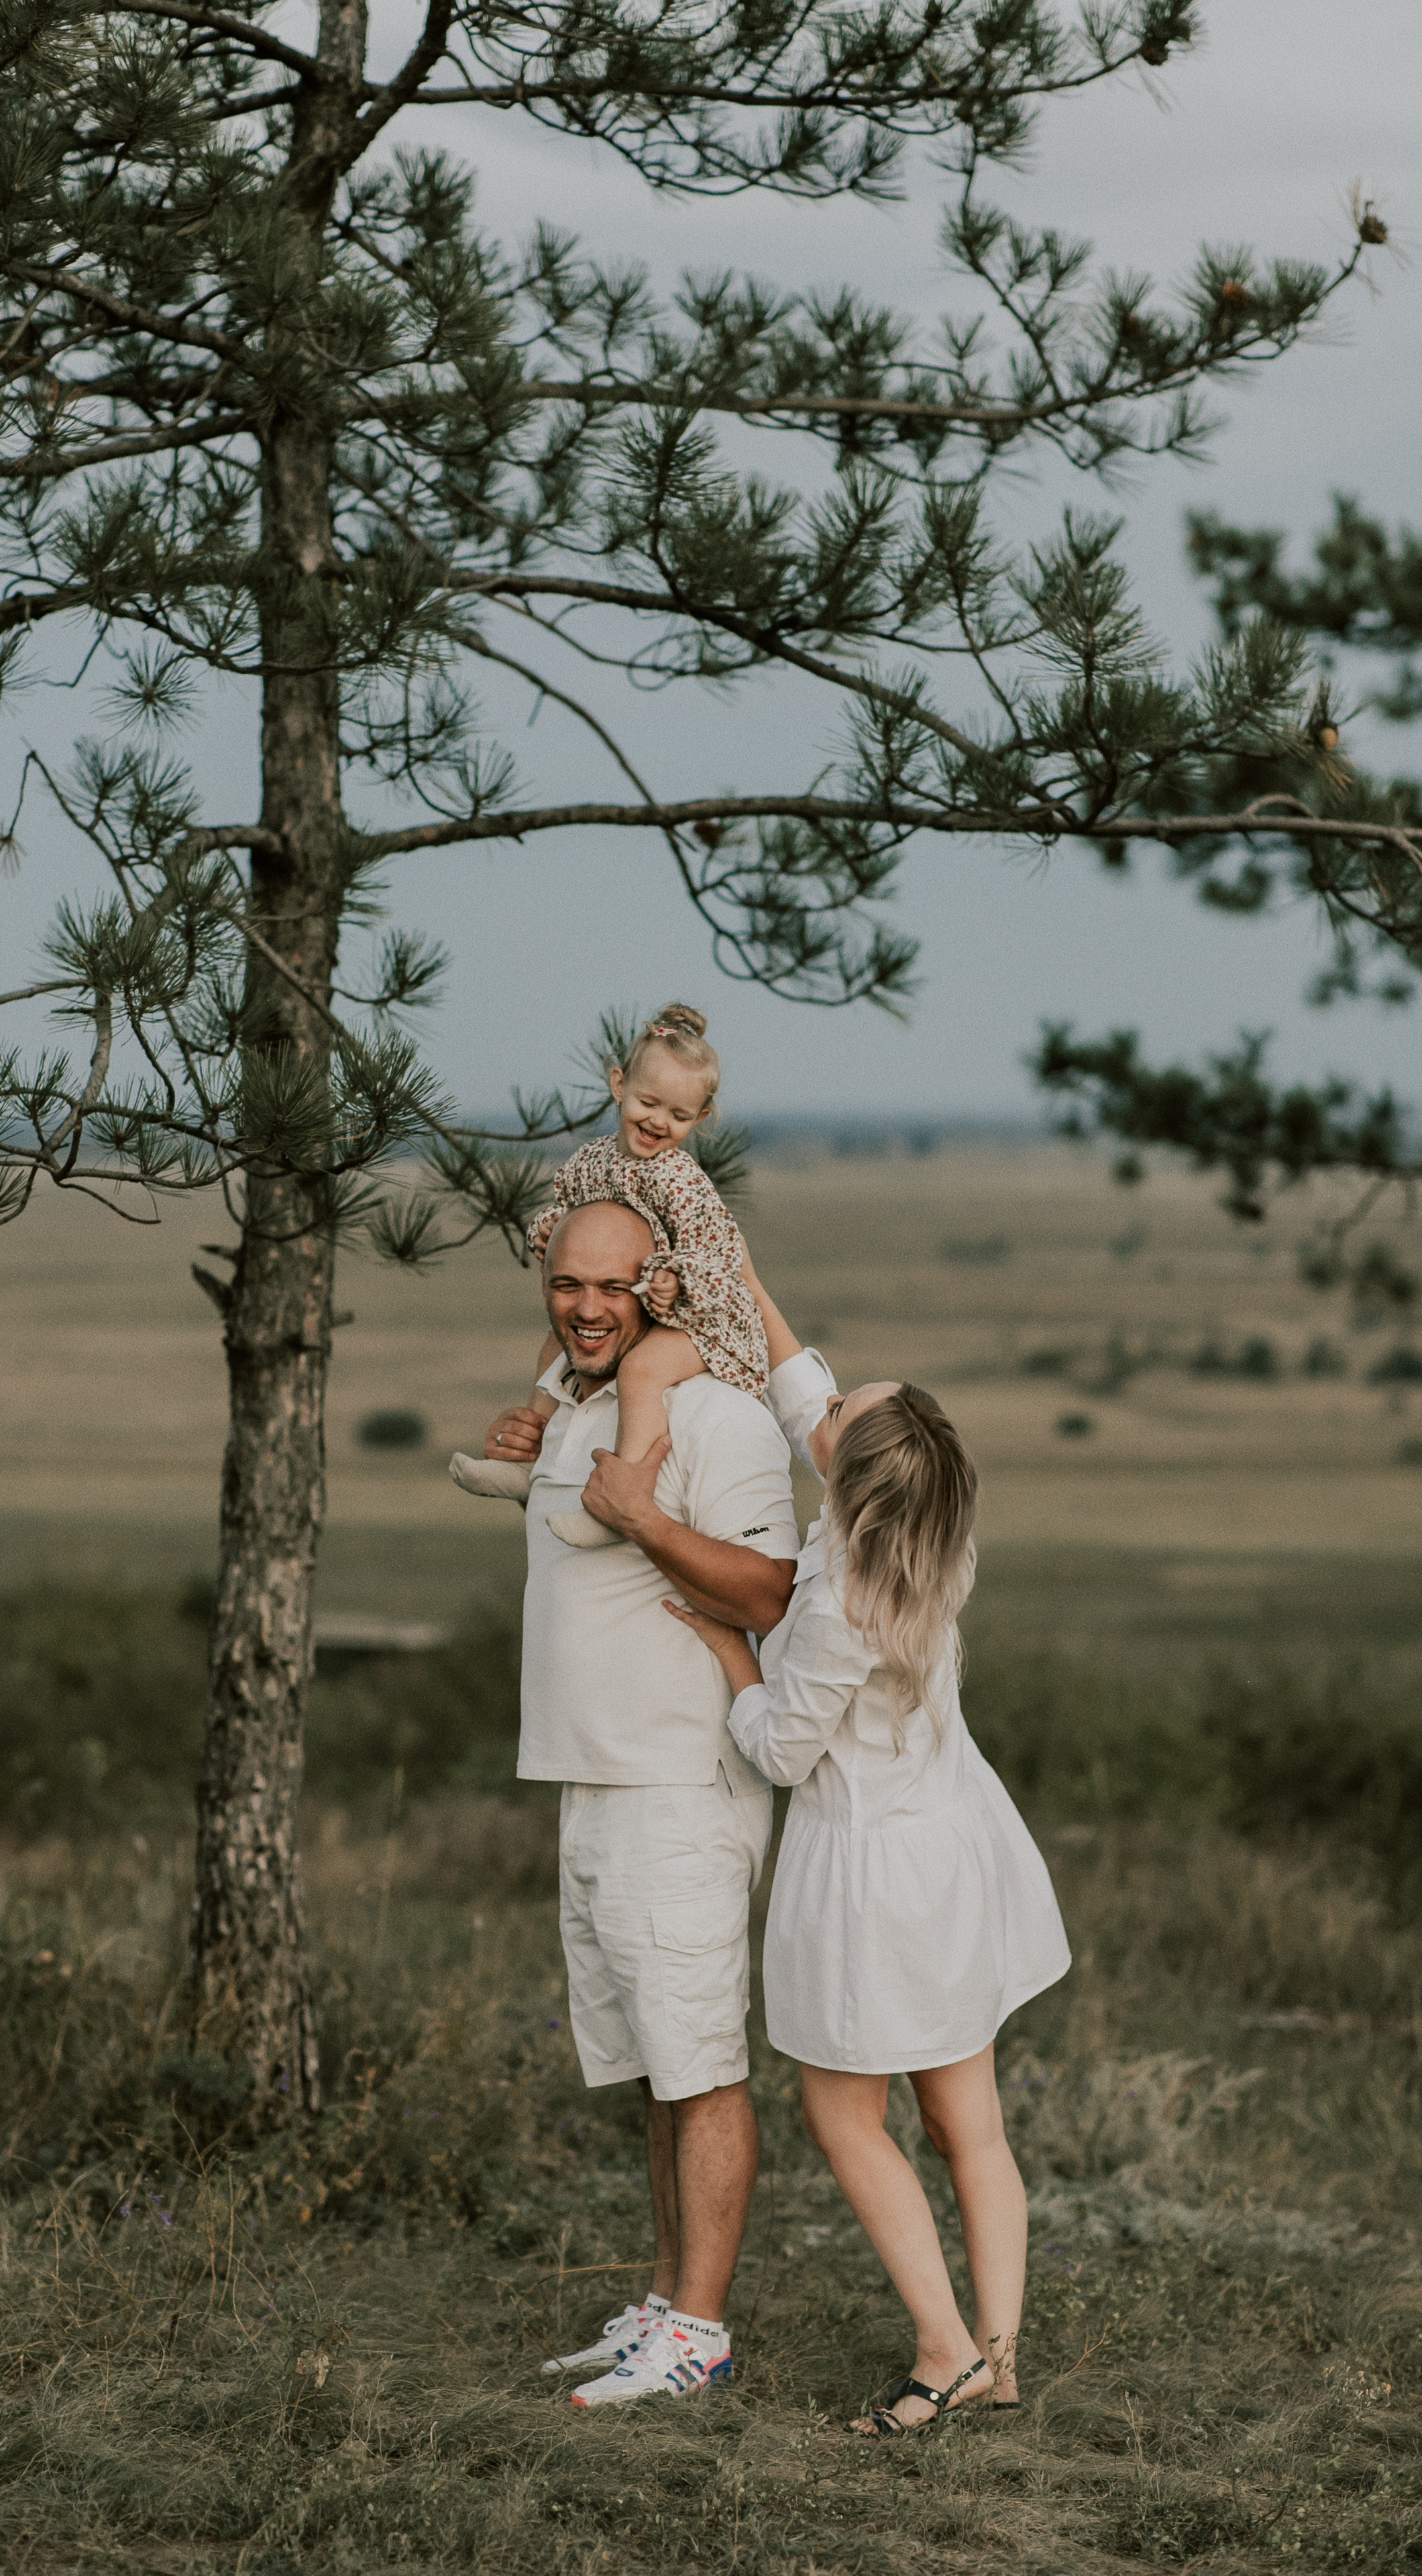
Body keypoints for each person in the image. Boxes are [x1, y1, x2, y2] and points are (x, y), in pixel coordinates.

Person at [665, 1381, 1071, 2434]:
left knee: (844, 2115)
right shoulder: (936, 1544)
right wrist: (738, 1271)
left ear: (844, 1473)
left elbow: (783, 1752)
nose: (828, 1399)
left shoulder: (843, 1597)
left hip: (873, 1880)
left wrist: (732, 1659)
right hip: (950, 1855)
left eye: (846, 1408)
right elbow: (816, 1389)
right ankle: (1002, 2359)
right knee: (968, 2124)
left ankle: (944, 2353)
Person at [482, 1197, 825, 2408]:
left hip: (682, 1784)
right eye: (567, 1284)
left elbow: (777, 1593)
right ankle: (670, 2311)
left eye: (611, 1287)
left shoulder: (722, 1421)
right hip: (592, 1780)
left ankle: (705, 2333)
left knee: (701, 2067)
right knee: (650, 2069)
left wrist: (648, 1518)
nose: (585, 1307)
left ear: (662, 1287)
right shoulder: (582, 1405)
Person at [451, 1004, 800, 1549]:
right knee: (555, 1346)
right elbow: (564, 1208)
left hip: (708, 1322)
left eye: (679, 1115)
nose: (660, 1122)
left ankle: (623, 1497)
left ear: (701, 1118)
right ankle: (532, 1457)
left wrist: (676, 1280)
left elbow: (718, 1257)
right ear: (619, 1086)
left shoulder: (679, 1179)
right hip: (650, 1309)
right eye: (648, 1102)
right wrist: (547, 1233)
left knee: (638, 1372)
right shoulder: (592, 1160)